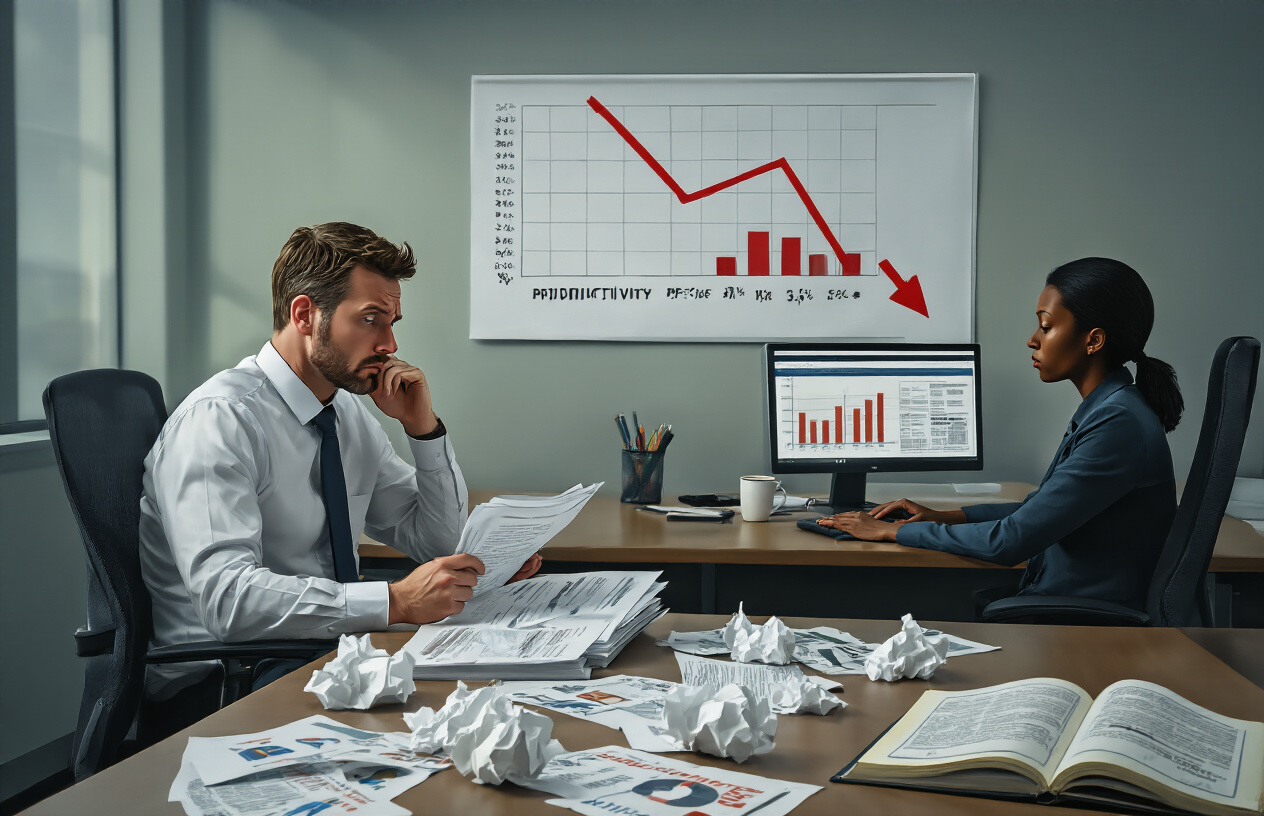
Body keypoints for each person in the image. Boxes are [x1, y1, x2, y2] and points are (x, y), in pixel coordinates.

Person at [139, 222, 542, 712]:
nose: (390, 344)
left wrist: (423, 430)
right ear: (306, 314)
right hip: (228, 678)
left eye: (393, 322)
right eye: (371, 319)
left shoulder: (344, 413)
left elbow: (437, 540)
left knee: (502, 695)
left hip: (324, 650)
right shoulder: (220, 421)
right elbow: (228, 599)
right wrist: (394, 602)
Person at [819, 257, 1183, 610]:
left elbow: (1012, 541)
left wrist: (892, 531)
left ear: (1094, 340)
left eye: (1046, 325)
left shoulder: (1117, 424)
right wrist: (945, 516)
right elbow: (1037, 511)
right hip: (1069, 596)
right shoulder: (1113, 408)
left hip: (1083, 617)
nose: (1032, 339)